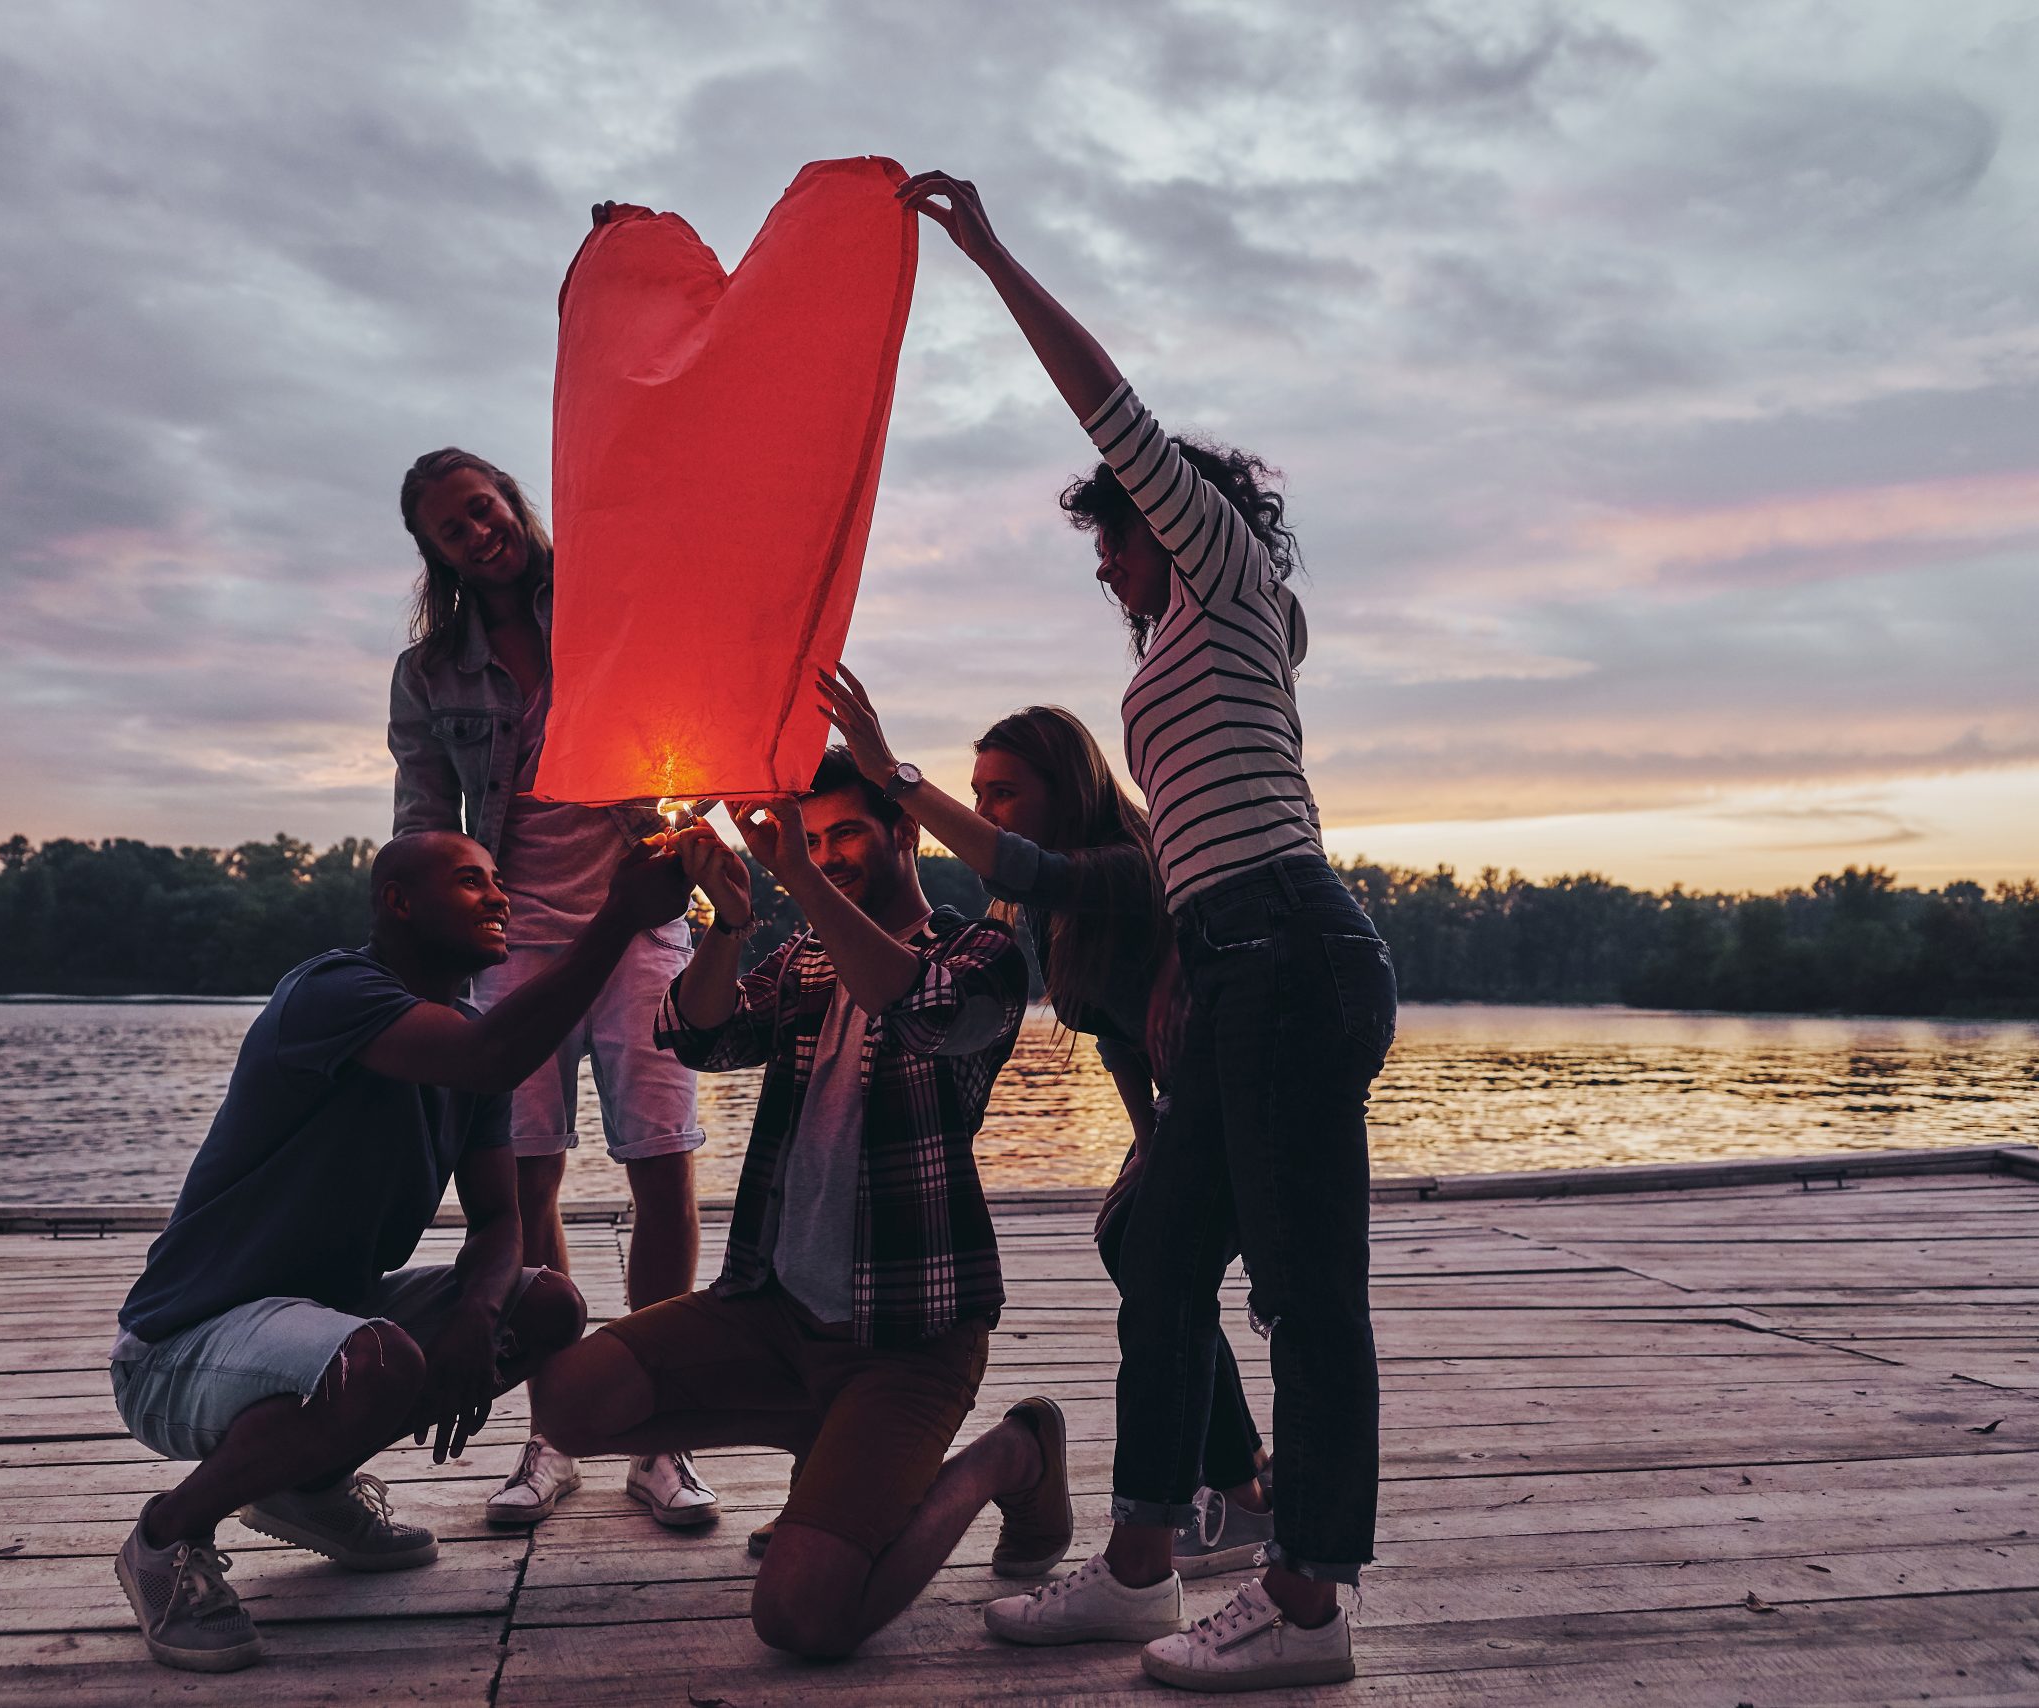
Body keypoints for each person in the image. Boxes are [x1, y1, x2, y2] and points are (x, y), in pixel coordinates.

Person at [902, 170, 1399, 1692]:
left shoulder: (1227, 577)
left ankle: (1309, 1605)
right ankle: (1135, 1569)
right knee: (1154, 1246)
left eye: (1113, 537)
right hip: (1240, 958)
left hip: (1292, 953)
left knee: (1307, 1291)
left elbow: (1110, 405)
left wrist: (989, 256)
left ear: (1168, 518)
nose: (1108, 562)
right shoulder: (1187, 641)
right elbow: (1115, 869)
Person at [529, 751, 1072, 1660]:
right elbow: (694, 1035)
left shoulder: (981, 955)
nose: (827, 855)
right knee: (568, 1403)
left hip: (908, 1341)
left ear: (905, 831)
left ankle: (1012, 1454)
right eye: (812, 841)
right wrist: (732, 923)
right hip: (773, 1314)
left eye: (847, 833)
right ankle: (817, 1445)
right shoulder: (807, 960)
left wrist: (795, 877)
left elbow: (923, 1010)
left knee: (804, 1620)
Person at [106, 831, 688, 1672]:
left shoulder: (471, 1035)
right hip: (181, 1347)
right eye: (468, 882)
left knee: (548, 1305)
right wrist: (621, 916)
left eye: (497, 882)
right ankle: (166, 1540)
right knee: (380, 1362)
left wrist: (475, 1319)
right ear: (398, 903)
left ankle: (308, 1487)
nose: (498, 897)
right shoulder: (332, 992)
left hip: (319, 1330)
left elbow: (497, 1221)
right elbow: (496, 1056)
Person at [813, 673, 1278, 1580]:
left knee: (1154, 1274)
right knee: (1133, 1253)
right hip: (1183, 1108)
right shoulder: (1057, 912)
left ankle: (1234, 1495)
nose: (989, 807)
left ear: (1064, 790)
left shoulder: (1117, 866)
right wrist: (1146, 1142)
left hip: (1242, 1099)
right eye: (979, 791)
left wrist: (893, 775)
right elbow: (1119, 1037)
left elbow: (1020, 867)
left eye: (1004, 791)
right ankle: (1244, 1479)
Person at [390, 446, 720, 1532]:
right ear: (433, 551)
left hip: (640, 918)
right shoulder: (431, 671)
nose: (475, 531)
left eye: (482, 508)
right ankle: (558, 1427)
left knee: (661, 1166)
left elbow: (703, 711)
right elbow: (424, 817)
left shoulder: (611, 600)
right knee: (526, 1182)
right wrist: (428, 948)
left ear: (510, 502)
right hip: (513, 937)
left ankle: (660, 1429)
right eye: (451, 527)